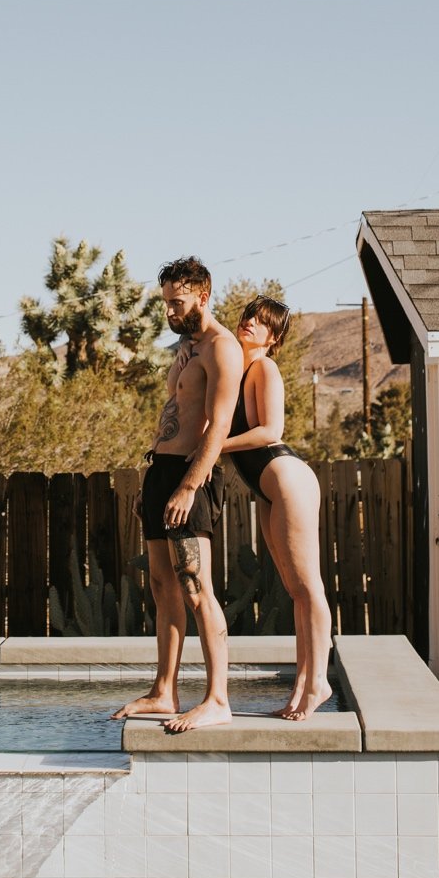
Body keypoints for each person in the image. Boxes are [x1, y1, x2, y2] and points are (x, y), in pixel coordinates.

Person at [113, 255, 242, 732]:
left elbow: (220, 422)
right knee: (163, 585)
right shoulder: (185, 346)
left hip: (192, 477)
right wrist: (155, 479)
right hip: (162, 473)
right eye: (165, 302)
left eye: (177, 302)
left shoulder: (221, 348)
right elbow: (176, 410)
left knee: (195, 587)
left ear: (203, 295)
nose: (168, 311)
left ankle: (217, 699)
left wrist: (189, 484)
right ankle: (164, 691)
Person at [222, 297, 333, 720]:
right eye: (249, 316)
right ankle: (302, 686)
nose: (250, 323)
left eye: (262, 322)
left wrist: (215, 446)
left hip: (286, 476)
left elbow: (271, 429)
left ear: (275, 337)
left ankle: (318, 681)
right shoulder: (237, 371)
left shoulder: (263, 368)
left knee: (309, 588)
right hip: (268, 489)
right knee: (294, 592)